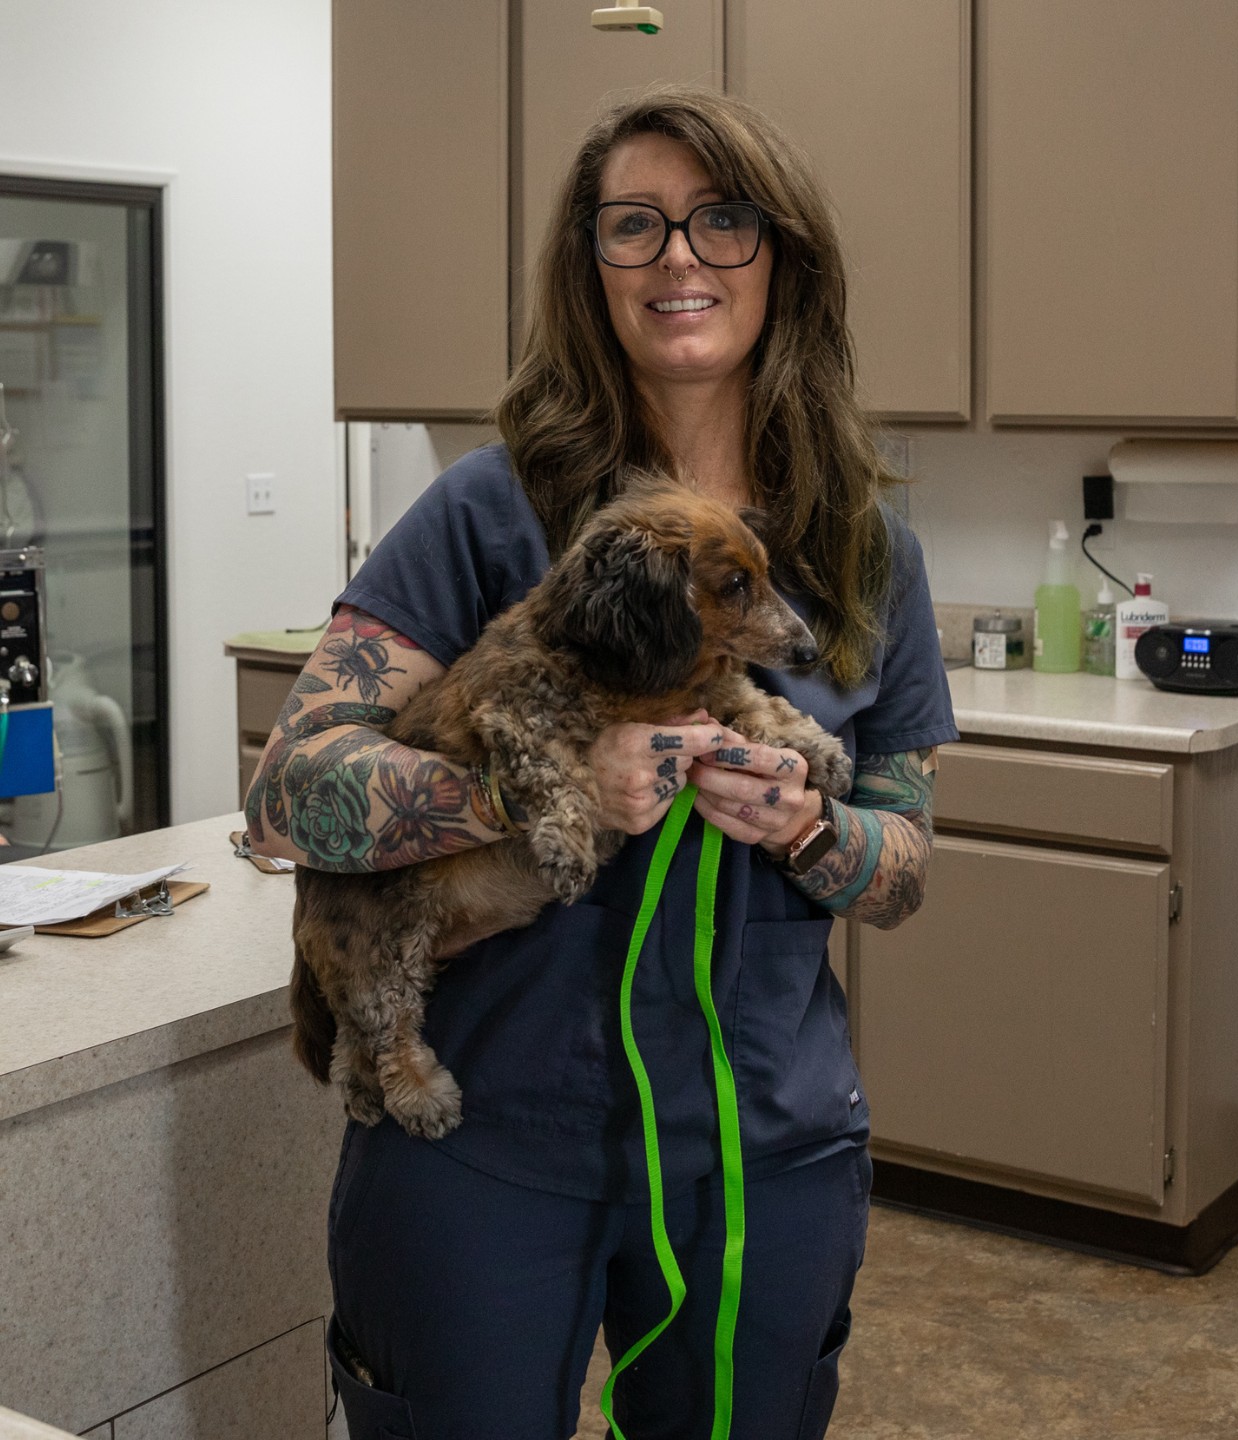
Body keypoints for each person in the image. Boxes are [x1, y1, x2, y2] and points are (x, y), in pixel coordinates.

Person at [247, 85, 958, 1440]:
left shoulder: (865, 554)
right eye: (633, 226)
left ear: (784, 256)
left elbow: (903, 870)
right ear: (590, 268)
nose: (678, 258)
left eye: (720, 220)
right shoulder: (487, 511)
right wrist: (531, 790)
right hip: (491, 1146)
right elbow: (289, 789)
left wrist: (813, 826)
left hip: (765, 1150)